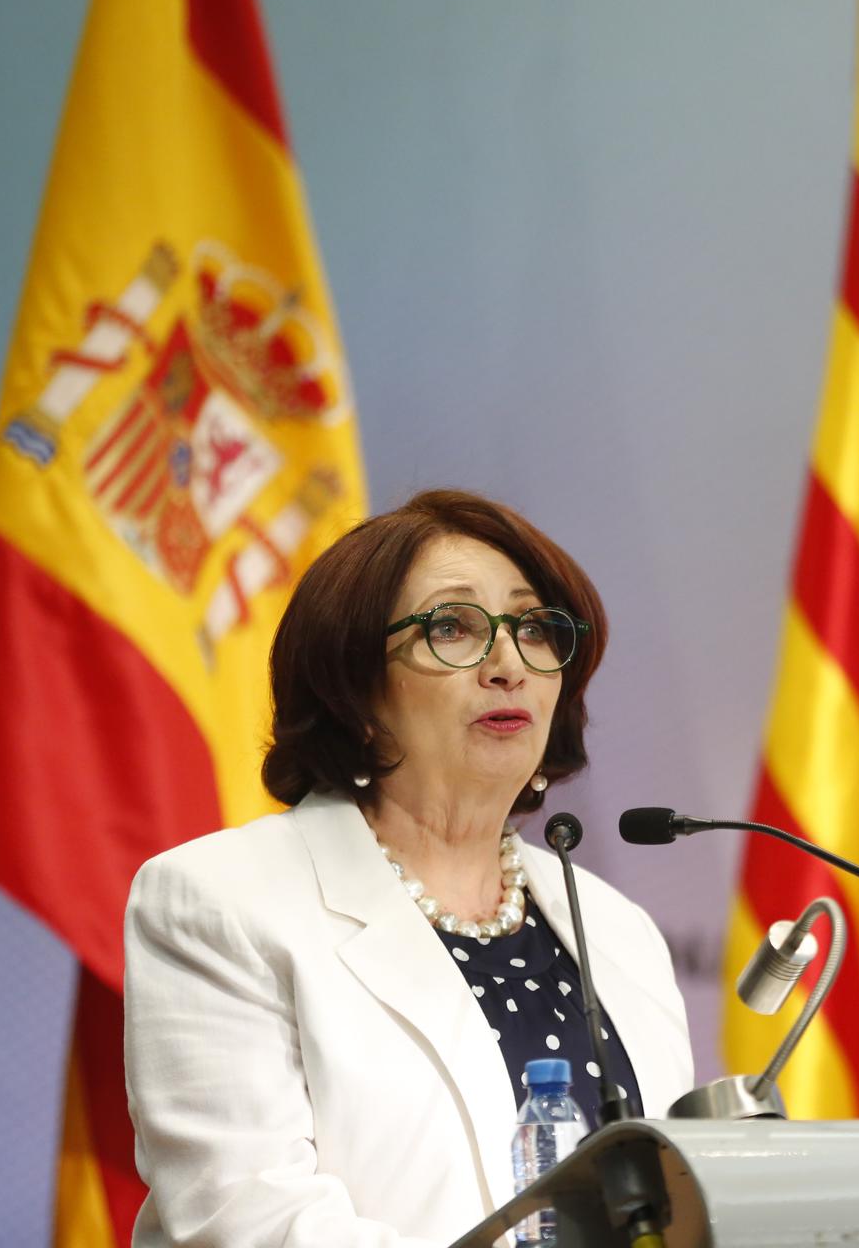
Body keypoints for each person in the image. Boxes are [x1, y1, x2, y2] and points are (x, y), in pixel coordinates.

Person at [123, 489, 694, 1246]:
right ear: (355, 690)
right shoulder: (220, 902)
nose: (507, 664)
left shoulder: (616, 930)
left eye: (533, 628)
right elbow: (250, 1222)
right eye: (452, 627)